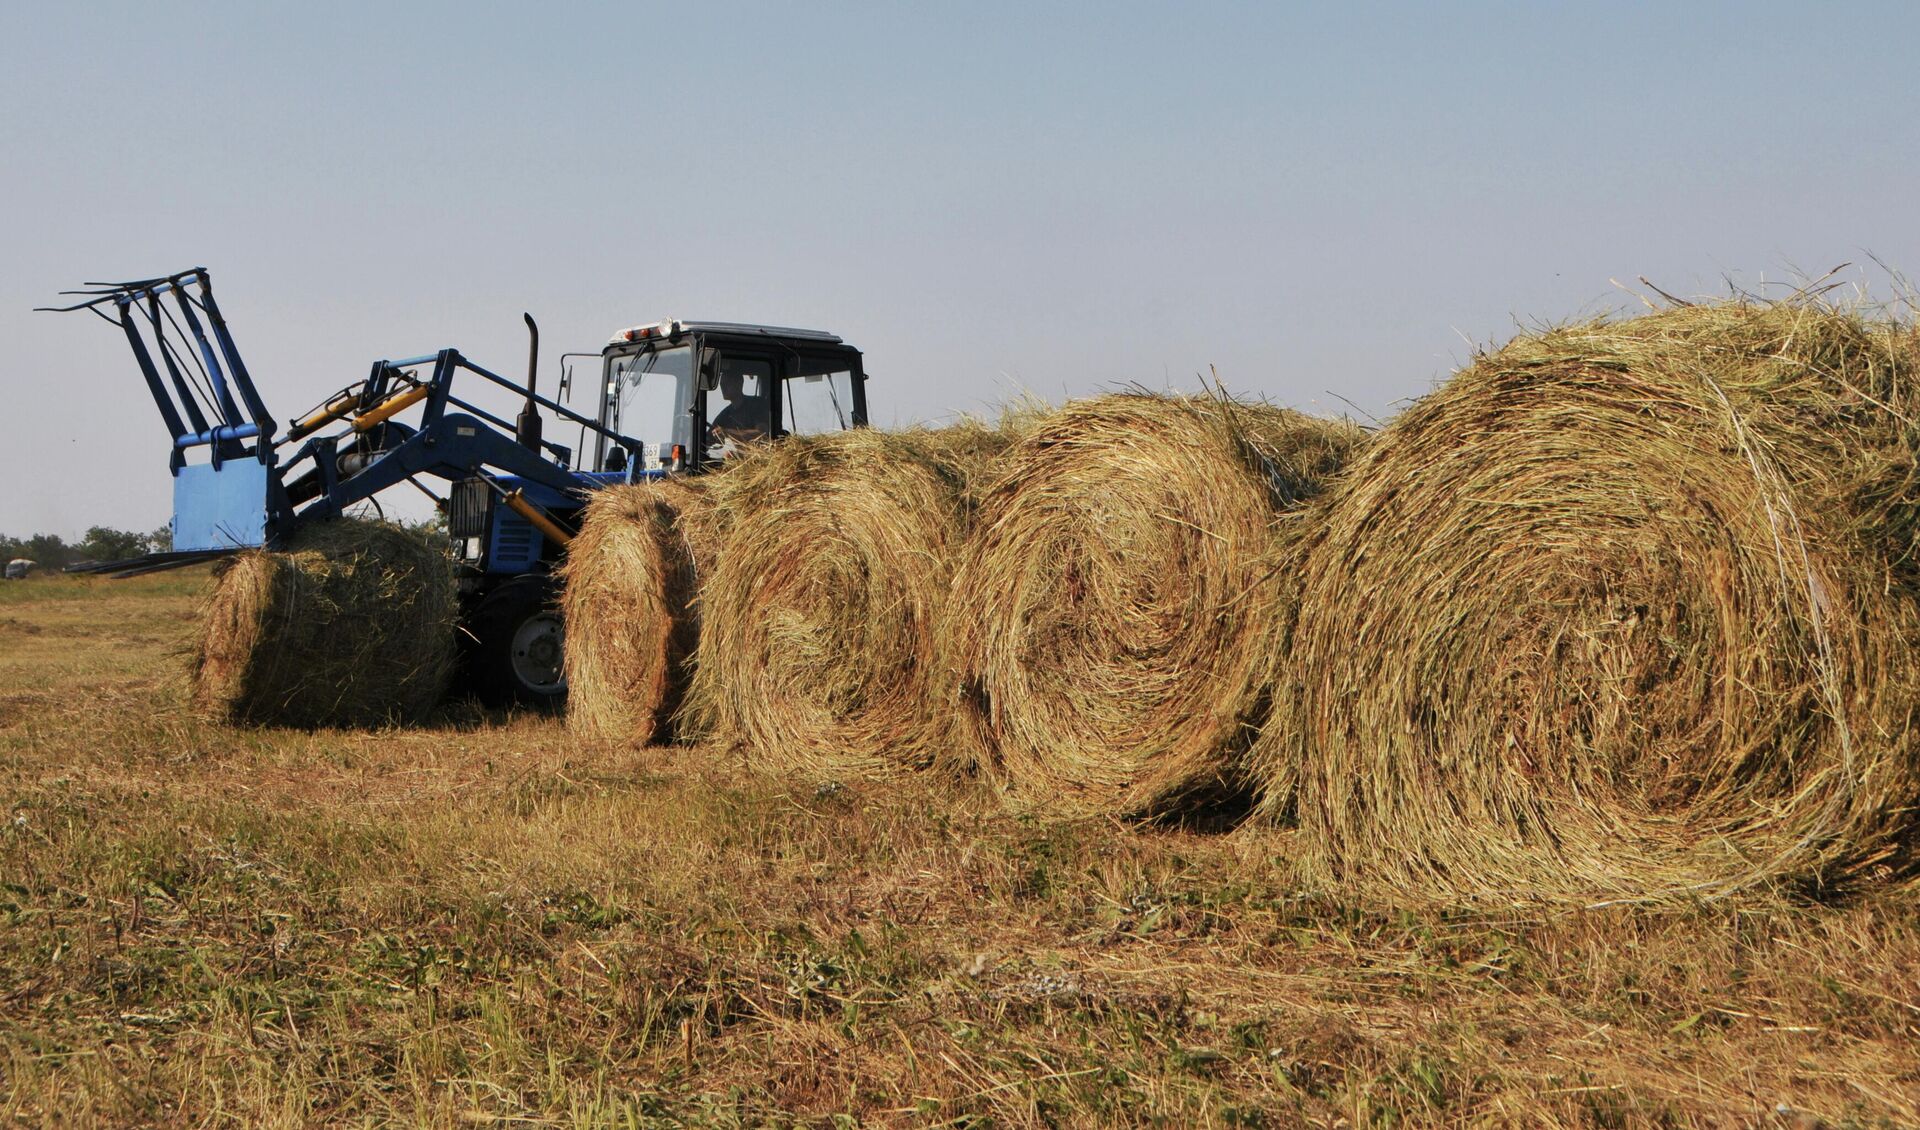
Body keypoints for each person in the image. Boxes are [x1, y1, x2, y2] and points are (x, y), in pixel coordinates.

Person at [709, 366, 771, 450]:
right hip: (734, 460)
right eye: (721, 385)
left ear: (739, 383)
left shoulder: (756, 405)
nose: (723, 388)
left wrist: (727, 433)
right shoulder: (725, 414)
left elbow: (762, 434)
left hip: (757, 459)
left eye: (726, 384)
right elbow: (708, 438)